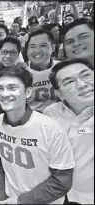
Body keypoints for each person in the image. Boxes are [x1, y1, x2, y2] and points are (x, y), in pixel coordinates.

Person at [0, 65, 75, 204]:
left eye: (12, 88)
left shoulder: (51, 129)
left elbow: (62, 181)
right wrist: (1, 196)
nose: (4, 94)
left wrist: (21, 201)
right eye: (0, 88)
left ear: (28, 92)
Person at [44, 59, 94, 204]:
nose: (82, 85)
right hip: (63, 195)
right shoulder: (51, 113)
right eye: (69, 82)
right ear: (60, 94)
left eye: (86, 75)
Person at [25, 29, 60, 113]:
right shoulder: (22, 74)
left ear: (53, 47)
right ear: (27, 50)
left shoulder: (62, 68)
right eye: (32, 46)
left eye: (43, 45)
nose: (37, 51)